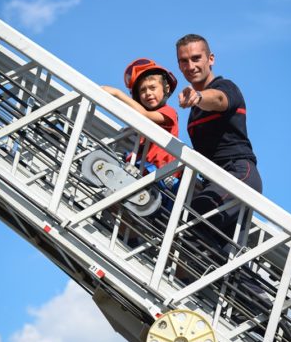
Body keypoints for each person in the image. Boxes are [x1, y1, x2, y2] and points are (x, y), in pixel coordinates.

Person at [176, 33, 262, 250]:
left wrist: (199, 97)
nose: (191, 65)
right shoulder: (193, 113)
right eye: (184, 61)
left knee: (189, 220)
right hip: (214, 182)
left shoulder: (226, 87)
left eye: (196, 58)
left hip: (238, 174)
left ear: (210, 59)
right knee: (225, 266)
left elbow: (219, 99)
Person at [102, 58, 179, 172]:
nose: (148, 93)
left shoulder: (169, 111)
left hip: (159, 175)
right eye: (143, 90)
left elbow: (146, 115)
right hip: (142, 170)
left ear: (166, 88)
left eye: (153, 87)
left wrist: (117, 93)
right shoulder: (142, 126)